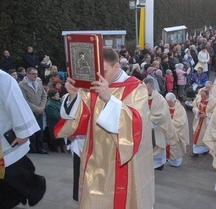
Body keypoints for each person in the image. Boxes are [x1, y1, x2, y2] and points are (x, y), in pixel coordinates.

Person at [55, 47, 154, 209]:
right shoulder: (92, 86)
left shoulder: (136, 87)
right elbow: (79, 118)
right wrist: (73, 96)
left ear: (116, 66)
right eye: (96, 73)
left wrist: (109, 98)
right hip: (95, 157)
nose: (99, 78)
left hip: (125, 159)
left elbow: (136, 122)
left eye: (104, 71)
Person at [0, 70, 46, 208]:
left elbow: (15, 103)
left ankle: (35, 187)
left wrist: (22, 132)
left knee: (13, 173)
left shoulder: (3, 78)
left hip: (3, 137)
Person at [144, 78, 178, 171]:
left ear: (152, 87)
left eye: (147, 89)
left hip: (157, 128)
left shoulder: (160, 100)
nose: (145, 91)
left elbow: (161, 116)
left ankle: (159, 165)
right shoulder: (142, 97)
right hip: (145, 128)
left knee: (158, 147)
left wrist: (147, 119)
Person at [19, 67, 48, 154]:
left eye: (36, 74)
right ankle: (32, 148)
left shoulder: (39, 83)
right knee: (31, 131)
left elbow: (44, 95)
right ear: (27, 74)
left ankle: (40, 148)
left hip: (40, 110)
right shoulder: (22, 85)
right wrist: (36, 108)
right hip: (29, 111)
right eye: (33, 74)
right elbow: (24, 100)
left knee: (40, 130)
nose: (35, 76)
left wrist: (42, 107)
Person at [191, 89, 216, 157]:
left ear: (208, 95)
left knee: (205, 136)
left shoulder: (214, 101)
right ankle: (195, 151)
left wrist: (206, 115)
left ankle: (206, 150)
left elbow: (215, 113)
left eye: (204, 97)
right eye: (201, 96)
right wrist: (197, 112)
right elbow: (194, 106)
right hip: (198, 120)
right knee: (196, 135)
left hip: (206, 122)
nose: (202, 98)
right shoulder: (198, 98)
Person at [165, 93, 189, 167]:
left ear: (174, 100)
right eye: (167, 102)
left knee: (175, 149)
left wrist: (169, 121)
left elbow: (181, 123)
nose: (168, 104)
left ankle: (175, 163)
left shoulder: (180, 109)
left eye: (170, 102)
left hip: (176, 133)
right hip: (166, 132)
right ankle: (166, 159)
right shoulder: (165, 106)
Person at [45, 88, 66, 153]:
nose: (58, 96)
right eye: (56, 95)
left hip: (61, 122)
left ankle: (64, 149)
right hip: (54, 123)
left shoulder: (60, 101)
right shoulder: (50, 104)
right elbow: (55, 115)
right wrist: (64, 115)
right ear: (52, 96)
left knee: (62, 137)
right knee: (56, 137)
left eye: (58, 94)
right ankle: (58, 150)